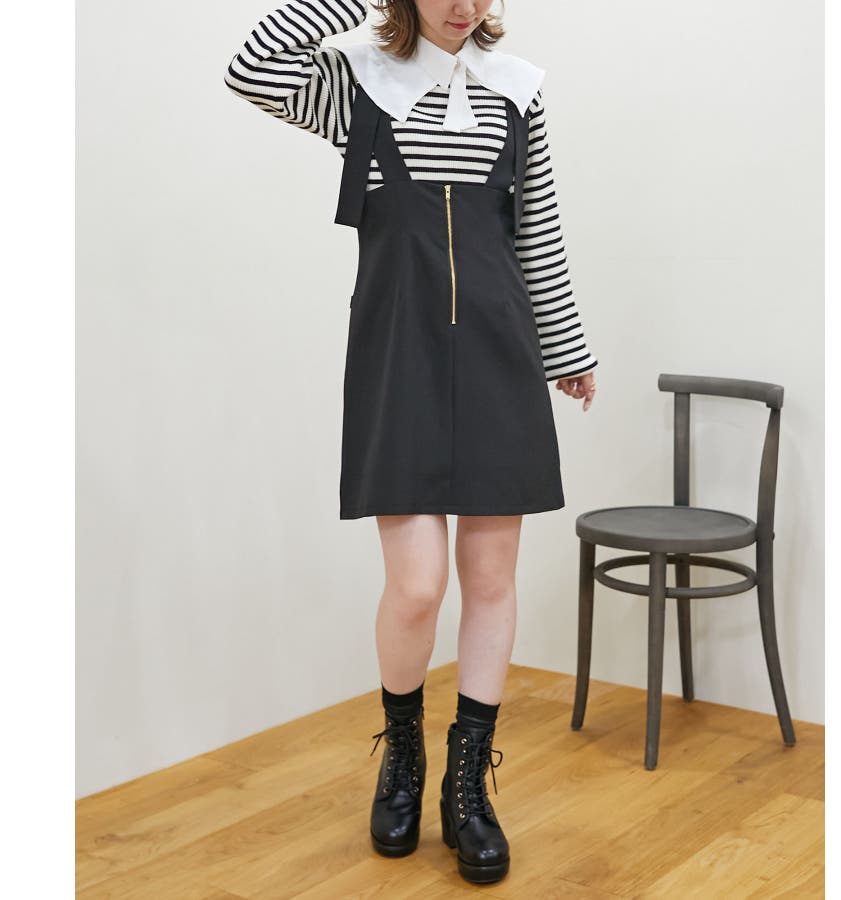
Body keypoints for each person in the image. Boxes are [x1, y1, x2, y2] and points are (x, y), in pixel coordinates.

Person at [225, 0, 598, 885]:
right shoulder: (359, 84)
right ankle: (403, 754)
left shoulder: (517, 91)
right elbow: (253, 68)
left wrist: (566, 346)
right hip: (399, 356)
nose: (466, 8)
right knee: (419, 585)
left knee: (491, 581)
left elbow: (537, 228)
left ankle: (467, 788)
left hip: (501, 352)